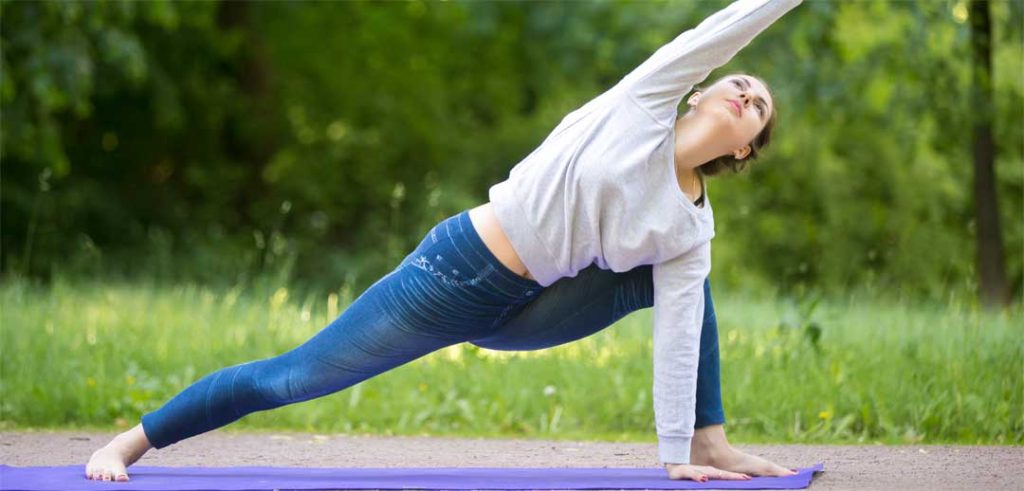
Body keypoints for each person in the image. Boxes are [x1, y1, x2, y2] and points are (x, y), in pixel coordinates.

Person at [86, 0, 803, 483]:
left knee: (686, 285)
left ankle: (707, 441)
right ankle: (133, 440)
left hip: (530, 310)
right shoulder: (646, 98)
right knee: (291, 378)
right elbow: (731, 26)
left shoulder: (689, 228)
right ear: (700, 91)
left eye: (760, 107)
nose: (747, 95)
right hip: (453, 273)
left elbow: (680, 337)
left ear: (744, 151)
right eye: (740, 83)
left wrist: (676, 454)